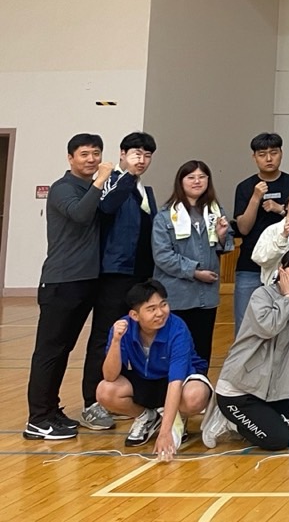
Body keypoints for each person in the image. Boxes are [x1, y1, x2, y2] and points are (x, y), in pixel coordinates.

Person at [24, 133, 112, 442]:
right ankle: (37, 419)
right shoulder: (63, 188)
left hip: (84, 282)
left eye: (96, 153)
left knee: (63, 350)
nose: (91, 159)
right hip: (61, 282)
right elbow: (80, 214)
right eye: (84, 154)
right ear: (70, 158)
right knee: (49, 352)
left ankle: (51, 410)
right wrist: (101, 181)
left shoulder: (89, 188)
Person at [80, 131, 158, 432]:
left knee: (132, 336)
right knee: (105, 335)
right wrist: (126, 175)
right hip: (114, 273)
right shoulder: (112, 181)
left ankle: (116, 397)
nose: (142, 159)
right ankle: (92, 401)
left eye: (147, 155)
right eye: (136, 153)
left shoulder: (144, 191)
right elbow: (106, 208)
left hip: (140, 274)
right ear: (123, 154)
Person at [201, 247, 289, 451]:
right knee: (279, 440)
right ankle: (229, 420)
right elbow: (269, 327)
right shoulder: (262, 295)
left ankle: (246, 420)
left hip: (268, 392)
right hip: (238, 390)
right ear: (281, 269)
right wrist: (287, 296)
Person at [95, 279, 213, 461]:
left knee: (195, 396)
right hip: (146, 379)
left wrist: (165, 433)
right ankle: (147, 417)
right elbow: (110, 376)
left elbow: (175, 381)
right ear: (135, 315)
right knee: (105, 390)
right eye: (151, 309)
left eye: (163, 305)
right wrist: (116, 341)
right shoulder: (123, 327)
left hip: (179, 381)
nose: (160, 313)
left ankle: (176, 418)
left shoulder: (177, 328)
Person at [151, 160, 232, 365]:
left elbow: (225, 247)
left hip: (207, 296)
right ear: (181, 181)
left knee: (201, 351)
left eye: (202, 177)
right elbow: (162, 256)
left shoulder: (215, 212)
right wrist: (195, 272)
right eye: (191, 177)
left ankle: (199, 384)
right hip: (176, 296)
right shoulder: (165, 216)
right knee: (173, 351)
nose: (197, 181)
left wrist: (222, 236)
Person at [231, 133, 289, 333]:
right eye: (262, 154)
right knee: (245, 324)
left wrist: (280, 209)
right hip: (251, 264)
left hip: (286, 264)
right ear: (254, 157)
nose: (269, 158)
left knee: (284, 323)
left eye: (274, 153)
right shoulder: (245, 187)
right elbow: (243, 228)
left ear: (281, 153)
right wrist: (256, 197)